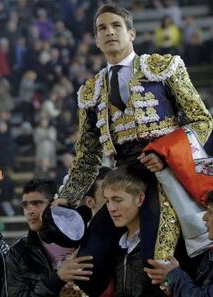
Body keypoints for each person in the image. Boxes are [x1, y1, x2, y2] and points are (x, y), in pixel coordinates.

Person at [54, 4, 212, 294]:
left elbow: (202, 120)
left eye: (116, 25)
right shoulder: (91, 92)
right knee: (89, 257)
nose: (109, 31)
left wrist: (165, 152)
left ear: (132, 33)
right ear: (96, 39)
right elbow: (88, 156)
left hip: (166, 177)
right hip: (123, 181)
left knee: (156, 257)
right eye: (102, 28)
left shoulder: (163, 69)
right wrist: (66, 198)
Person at [7, 178, 93, 296]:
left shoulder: (85, 238)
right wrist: (56, 279)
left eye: (37, 203)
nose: (30, 211)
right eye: (25, 205)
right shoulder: (17, 252)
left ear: (54, 204)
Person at [102, 166, 165, 297]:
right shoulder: (115, 243)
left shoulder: (160, 241)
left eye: (117, 200)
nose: (111, 208)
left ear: (140, 199)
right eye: (107, 201)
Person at [144, 190, 213, 297]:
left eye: (210, 212)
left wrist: (174, 275)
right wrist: (174, 286)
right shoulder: (209, 255)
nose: (204, 217)